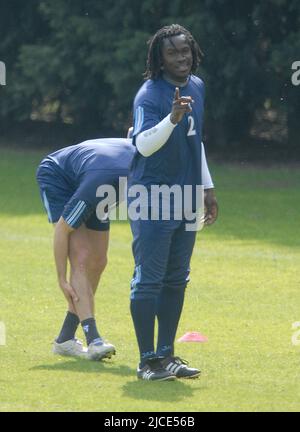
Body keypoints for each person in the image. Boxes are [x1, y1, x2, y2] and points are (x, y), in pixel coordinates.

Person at [128, 24, 218, 381]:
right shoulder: (149, 95)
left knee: (177, 279)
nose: (182, 57)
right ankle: (146, 360)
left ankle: (167, 355)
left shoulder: (197, 86)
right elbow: (143, 145)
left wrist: (208, 188)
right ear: (159, 60)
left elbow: (196, 142)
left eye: (186, 51)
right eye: (173, 53)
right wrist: (172, 118)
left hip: (187, 197)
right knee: (148, 280)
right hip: (152, 197)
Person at [36, 138, 135, 360]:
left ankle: (65, 339)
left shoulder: (149, 167)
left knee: (98, 261)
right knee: (81, 256)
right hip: (60, 177)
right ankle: (94, 340)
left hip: (95, 176)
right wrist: (62, 278)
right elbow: (62, 231)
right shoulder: (104, 183)